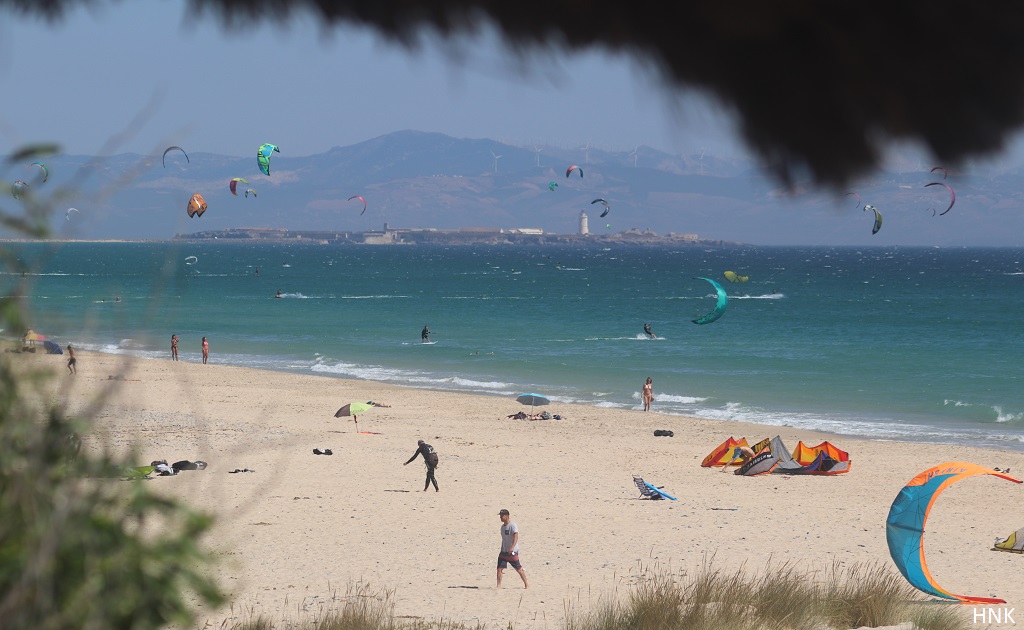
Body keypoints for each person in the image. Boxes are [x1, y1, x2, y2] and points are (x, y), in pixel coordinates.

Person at [497, 509, 528, 589]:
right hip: (503, 551)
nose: (500, 517)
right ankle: (498, 586)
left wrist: (512, 547)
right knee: (499, 568)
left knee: (519, 569)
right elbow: (504, 539)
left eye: (502, 516)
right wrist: (502, 548)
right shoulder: (502, 527)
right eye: (500, 515)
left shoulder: (512, 525)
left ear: (507, 516)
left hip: (512, 552)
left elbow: (516, 536)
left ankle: (526, 584)